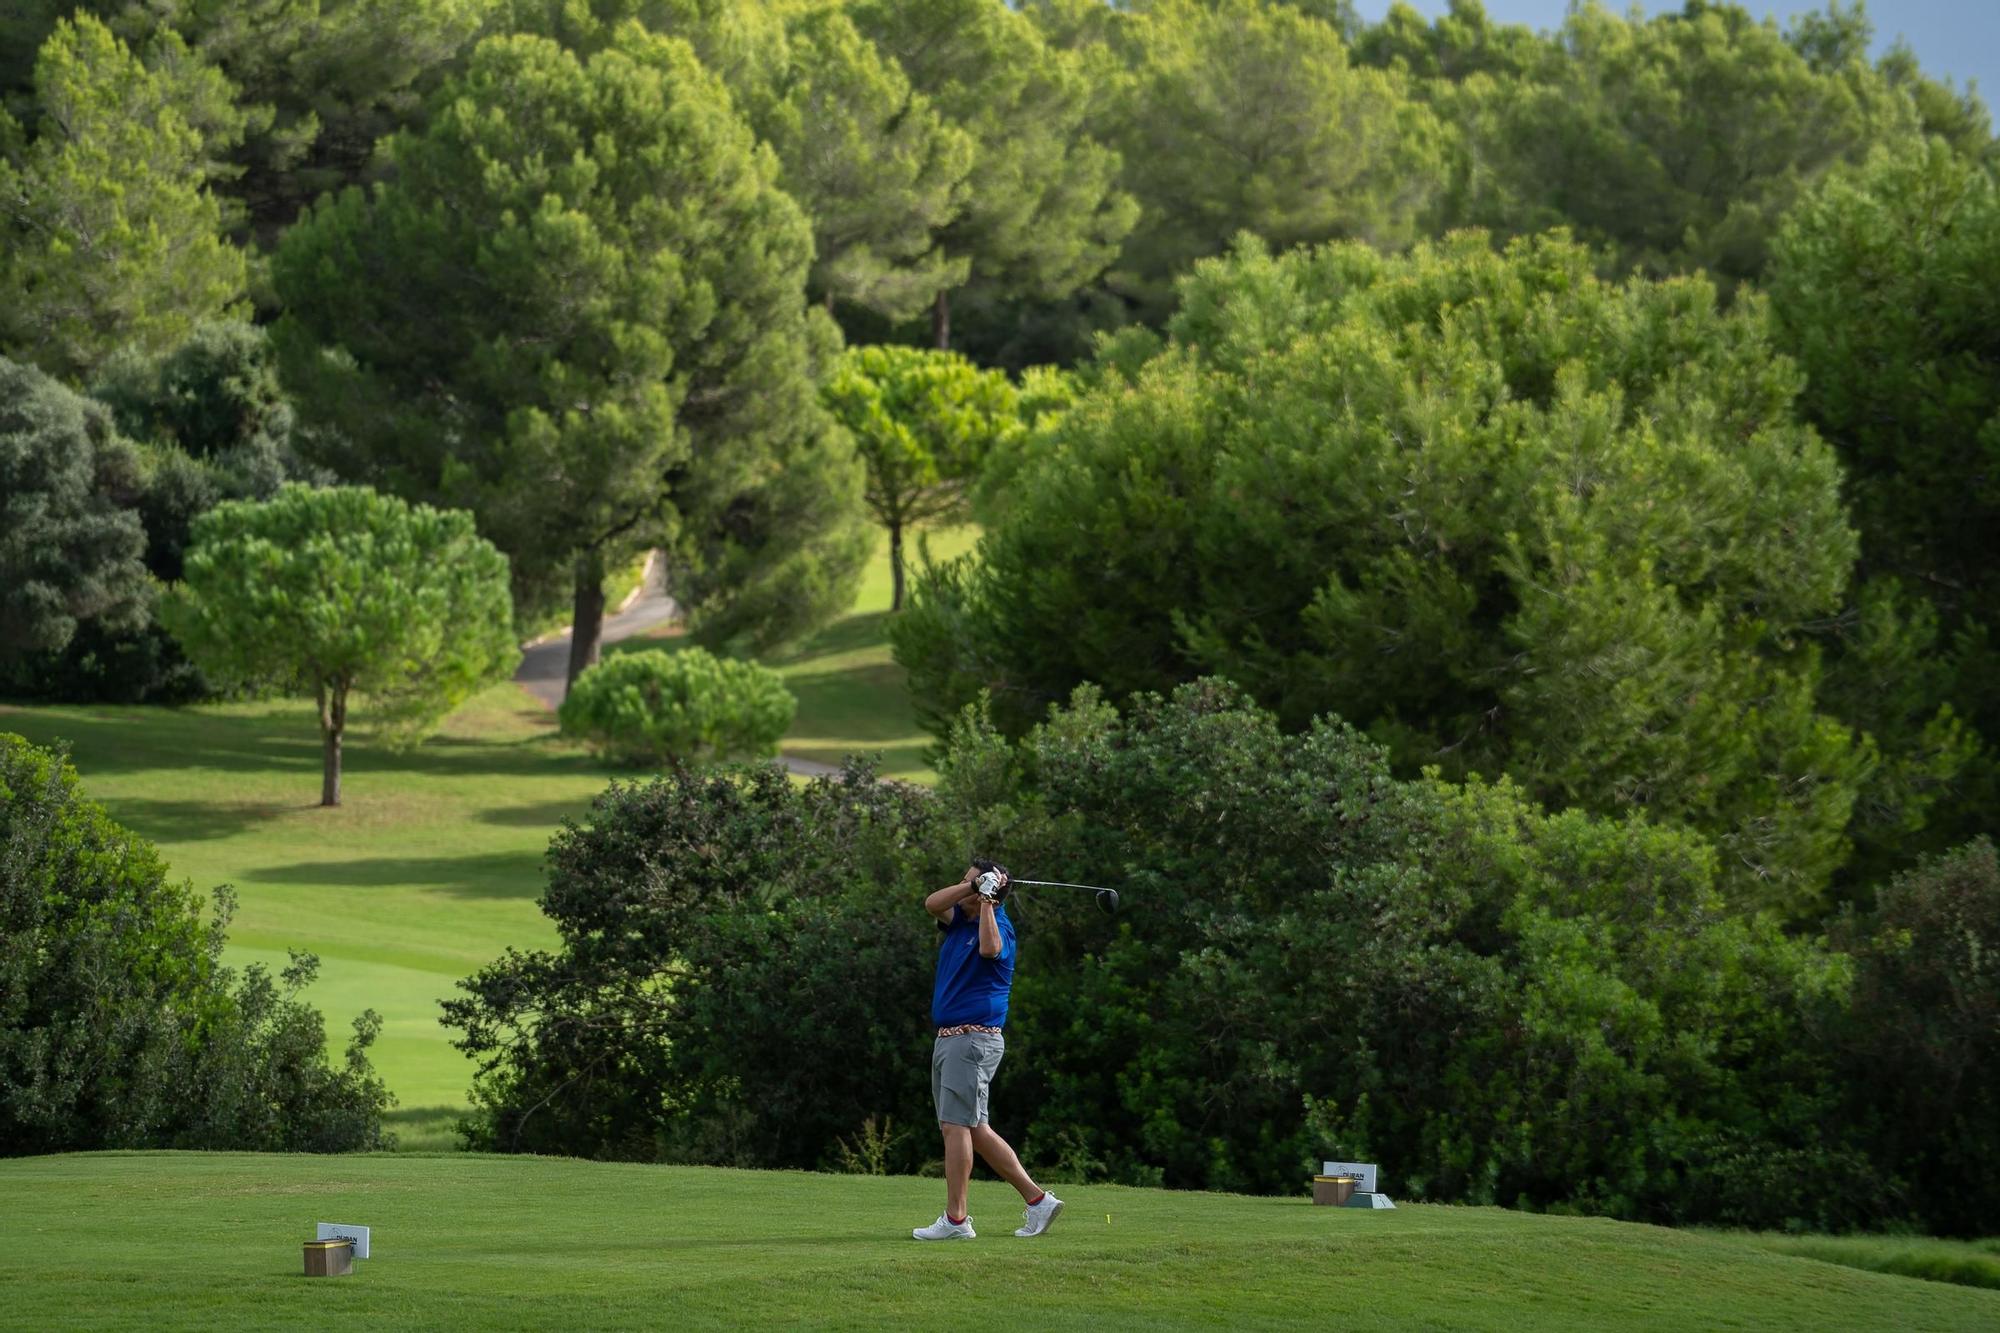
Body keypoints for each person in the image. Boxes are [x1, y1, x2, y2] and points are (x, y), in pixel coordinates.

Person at [911, 859, 1063, 1241]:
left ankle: (957, 1220)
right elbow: (932, 902)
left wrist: (989, 899)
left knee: (955, 1126)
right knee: (973, 1128)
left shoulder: (1000, 928)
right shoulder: (959, 920)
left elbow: (990, 948)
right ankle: (1037, 1200)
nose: (963, 888)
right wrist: (971, 887)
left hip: (971, 1040)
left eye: (971, 883)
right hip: (952, 1040)